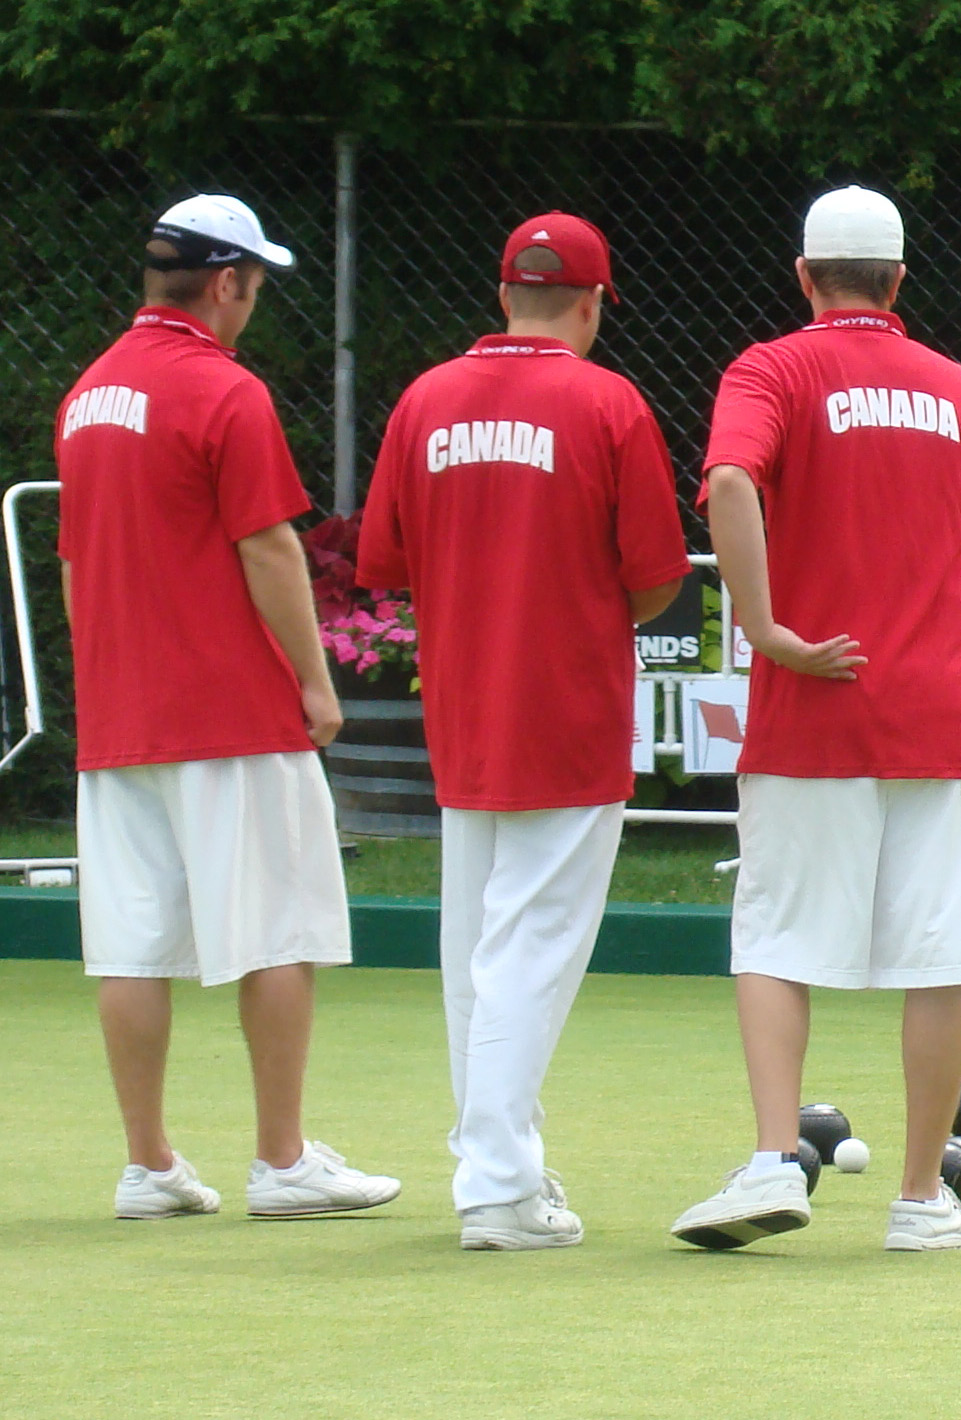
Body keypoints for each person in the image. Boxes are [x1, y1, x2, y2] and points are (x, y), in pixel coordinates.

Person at [671, 185, 961, 1253]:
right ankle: (922, 1198)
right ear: (901, 281)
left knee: (777, 939)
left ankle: (778, 1158)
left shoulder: (771, 367)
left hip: (815, 704)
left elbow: (731, 477)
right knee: (944, 952)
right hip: (938, 715)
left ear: (804, 277)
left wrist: (766, 627)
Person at [57, 193, 401, 1221]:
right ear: (224, 283)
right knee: (280, 929)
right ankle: (283, 1159)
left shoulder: (86, 394)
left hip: (121, 718)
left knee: (129, 943)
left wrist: (100, 681)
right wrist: (314, 677)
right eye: (253, 284)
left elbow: (75, 558)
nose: (252, 302)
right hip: (231, 710)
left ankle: (149, 1165)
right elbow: (267, 544)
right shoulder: (224, 390)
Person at [357, 211, 690, 1250]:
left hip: (464, 713)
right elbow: (655, 583)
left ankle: (499, 1164)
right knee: (527, 953)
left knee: (478, 953)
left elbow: (386, 562)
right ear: (590, 304)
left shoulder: (425, 399)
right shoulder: (609, 402)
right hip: (571, 714)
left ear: (505, 294)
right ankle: (498, 1184)